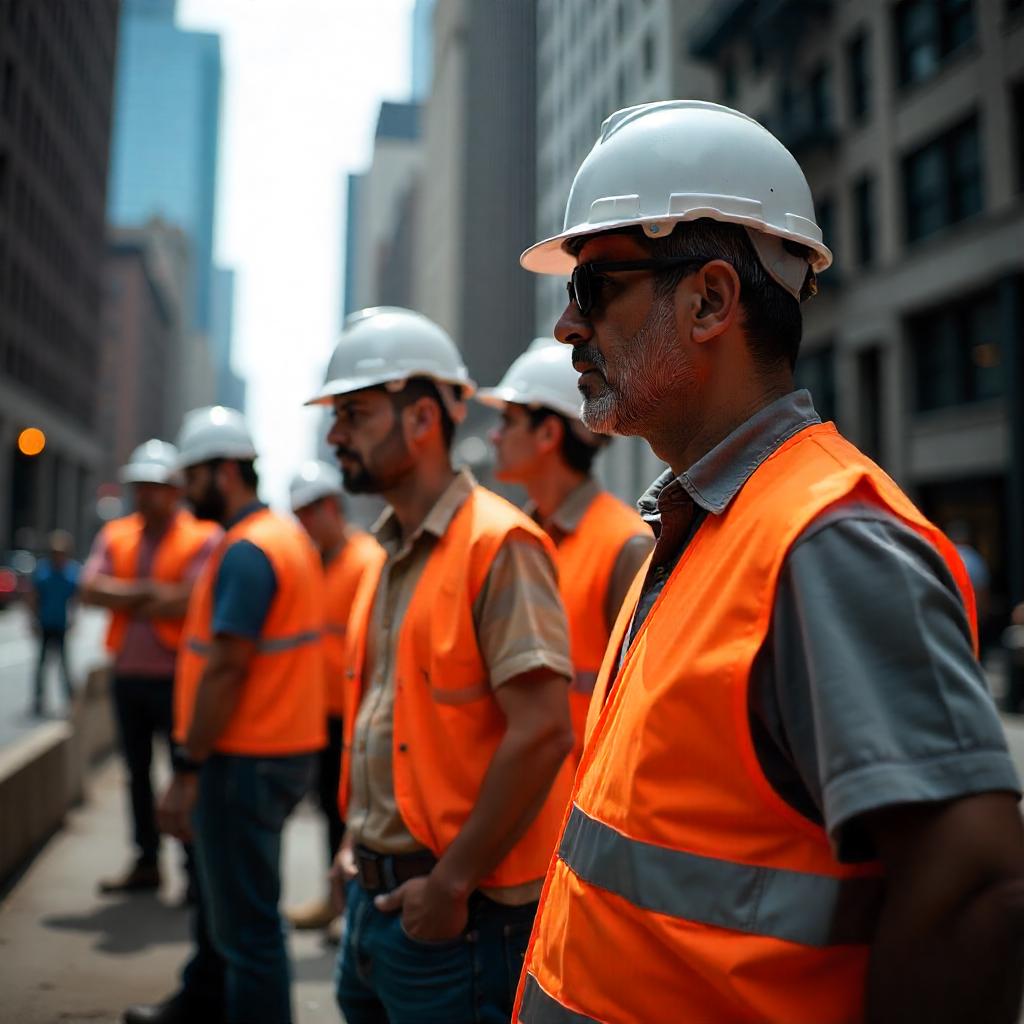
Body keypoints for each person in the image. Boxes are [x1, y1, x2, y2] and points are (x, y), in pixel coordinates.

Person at [512, 101, 1024, 1024]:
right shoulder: (699, 526)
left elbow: (976, 889)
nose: (566, 331)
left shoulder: (829, 540)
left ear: (710, 299)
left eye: (592, 290)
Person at [305, 306, 575, 1024]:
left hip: (457, 921)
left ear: (423, 419)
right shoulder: (386, 556)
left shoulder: (498, 545)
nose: (335, 434)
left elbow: (545, 731)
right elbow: (384, 724)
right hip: (376, 901)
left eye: (354, 414)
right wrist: (351, 845)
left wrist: (451, 885)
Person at [125, 407, 325, 1024]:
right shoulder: (282, 538)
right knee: (225, 909)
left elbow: (227, 668)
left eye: (191, 477)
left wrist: (187, 767)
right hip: (276, 750)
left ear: (225, 471)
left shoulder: (247, 552)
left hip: (244, 758)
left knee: (249, 930)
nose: (183, 492)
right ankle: (199, 1002)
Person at [479, 338, 653, 763]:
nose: (494, 435)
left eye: (508, 419)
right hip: (523, 806)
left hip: (578, 811)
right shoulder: (513, 540)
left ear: (548, 433)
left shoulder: (626, 546)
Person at [80, 440, 221, 895]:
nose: (146, 495)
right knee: (137, 774)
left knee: (184, 775)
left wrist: (131, 594)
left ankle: (194, 872)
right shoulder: (117, 534)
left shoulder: (202, 535)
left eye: (156, 486)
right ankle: (146, 861)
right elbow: (91, 589)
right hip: (129, 676)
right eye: (140, 486)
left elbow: (193, 599)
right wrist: (155, 595)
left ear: (176, 490)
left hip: (179, 678)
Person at [284, 459, 381, 939]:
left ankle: (351, 908)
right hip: (319, 713)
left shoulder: (365, 561)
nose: (303, 523)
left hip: (358, 713)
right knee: (330, 810)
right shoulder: (307, 561)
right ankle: (335, 901)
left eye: (309, 512)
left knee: (354, 816)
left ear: (331, 508)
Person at [27, 530, 80, 716]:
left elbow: (75, 599)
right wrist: (32, 620)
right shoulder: (43, 571)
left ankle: (72, 701)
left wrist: (74, 619)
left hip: (61, 624)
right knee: (41, 664)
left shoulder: (71, 572)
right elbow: (33, 596)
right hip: (45, 623)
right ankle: (38, 700)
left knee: (64, 665)